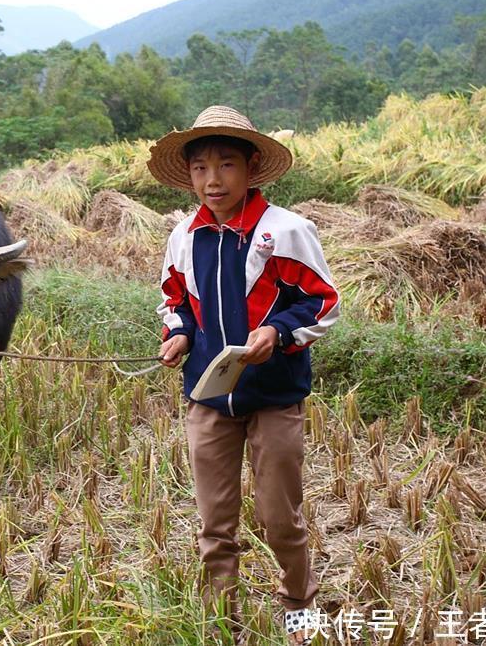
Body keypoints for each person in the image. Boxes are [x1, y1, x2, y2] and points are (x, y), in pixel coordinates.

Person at [148, 105, 340, 645]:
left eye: (226, 165)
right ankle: (219, 619)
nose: (213, 180)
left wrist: (275, 333)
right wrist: (179, 334)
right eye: (201, 167)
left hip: (274, 396)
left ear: (252, 168)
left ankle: (299, 606)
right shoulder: (184, 235)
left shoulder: (285, 232)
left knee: (280, 517)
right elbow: (175, 300)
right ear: (188, 175)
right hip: (208, 397)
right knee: (215, 521)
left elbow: (321, 302)